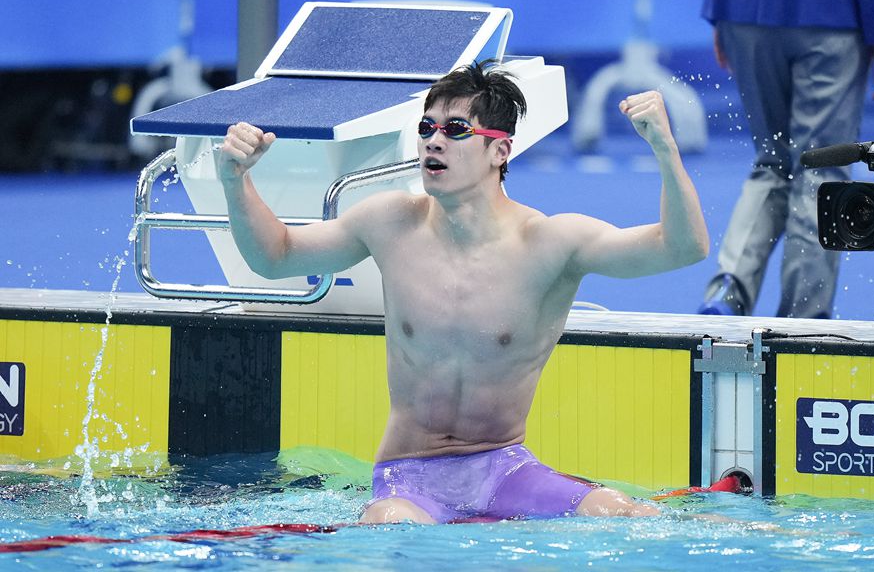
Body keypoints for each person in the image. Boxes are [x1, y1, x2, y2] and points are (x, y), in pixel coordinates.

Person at [217, 61, 709, 524]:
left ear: (500, 151)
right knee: (389, 524)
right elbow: (276, 256)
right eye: (426, 128)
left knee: (622, 513)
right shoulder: (390, 222)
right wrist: (235, 180)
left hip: (505, 471)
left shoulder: (548, 244)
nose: (434, 141)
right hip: (408, 478)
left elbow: (682, 249)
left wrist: (665, 149)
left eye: (456, 130)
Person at [699, 0, 874, 318]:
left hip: (744, 7)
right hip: (830, 8)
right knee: (820, 168)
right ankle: (802, 319)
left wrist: (721, 9)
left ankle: (729, 287)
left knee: (771, 162)